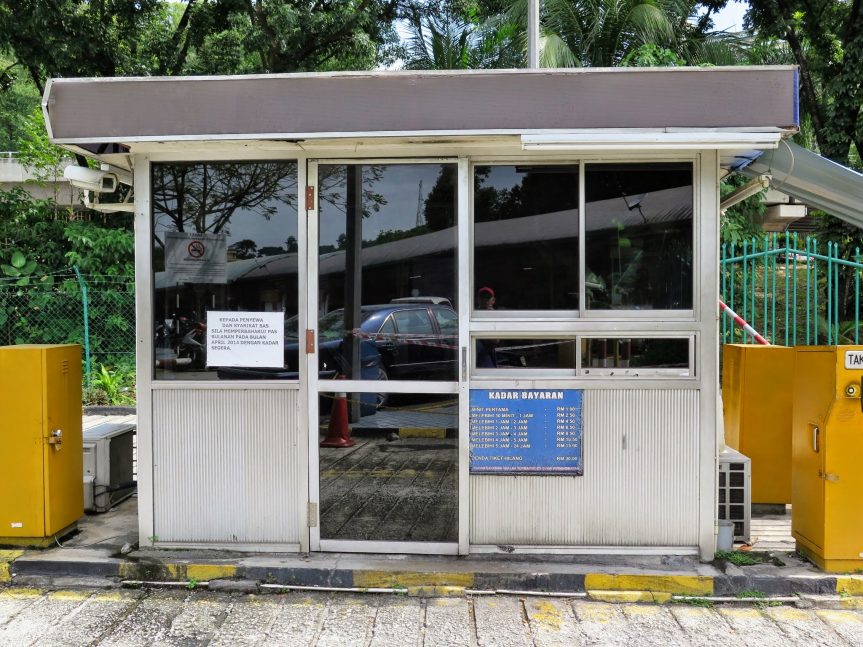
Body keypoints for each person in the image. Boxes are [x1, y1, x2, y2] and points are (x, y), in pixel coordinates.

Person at [476, 287, 497, 367]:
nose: (485, 300)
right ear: (478, 299)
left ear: (493, 300)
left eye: (487, 298)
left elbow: (496, 339)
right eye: (482, 297)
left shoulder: (493, 315)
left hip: (487, 354)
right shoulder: (474, 314)